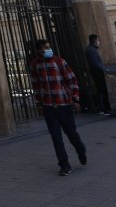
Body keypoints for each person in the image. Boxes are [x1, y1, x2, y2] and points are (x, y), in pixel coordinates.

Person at [28, 38, 87, 176]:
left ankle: (80, 149)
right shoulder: (35, 64)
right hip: (48, 105)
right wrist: (38, 103)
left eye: (49, 47)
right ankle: (64, 163)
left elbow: (72, 80)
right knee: (56, 136)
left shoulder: (59, 61)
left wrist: (75, 99)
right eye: (45, 47)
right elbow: (36, 85)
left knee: (71, 133)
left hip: (64, 104)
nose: (49, 49)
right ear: (39, 50)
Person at [84, 34, 111, 115]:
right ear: (95, 40)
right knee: (102, 90)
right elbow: (95, 64)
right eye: (98, 40)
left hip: (98, 72)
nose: (99, 42)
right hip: (98, 73)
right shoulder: (91, 50)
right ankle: (103, 108)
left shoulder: (92, 49)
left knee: (101, 90)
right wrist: (103, 69)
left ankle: (103, 108)